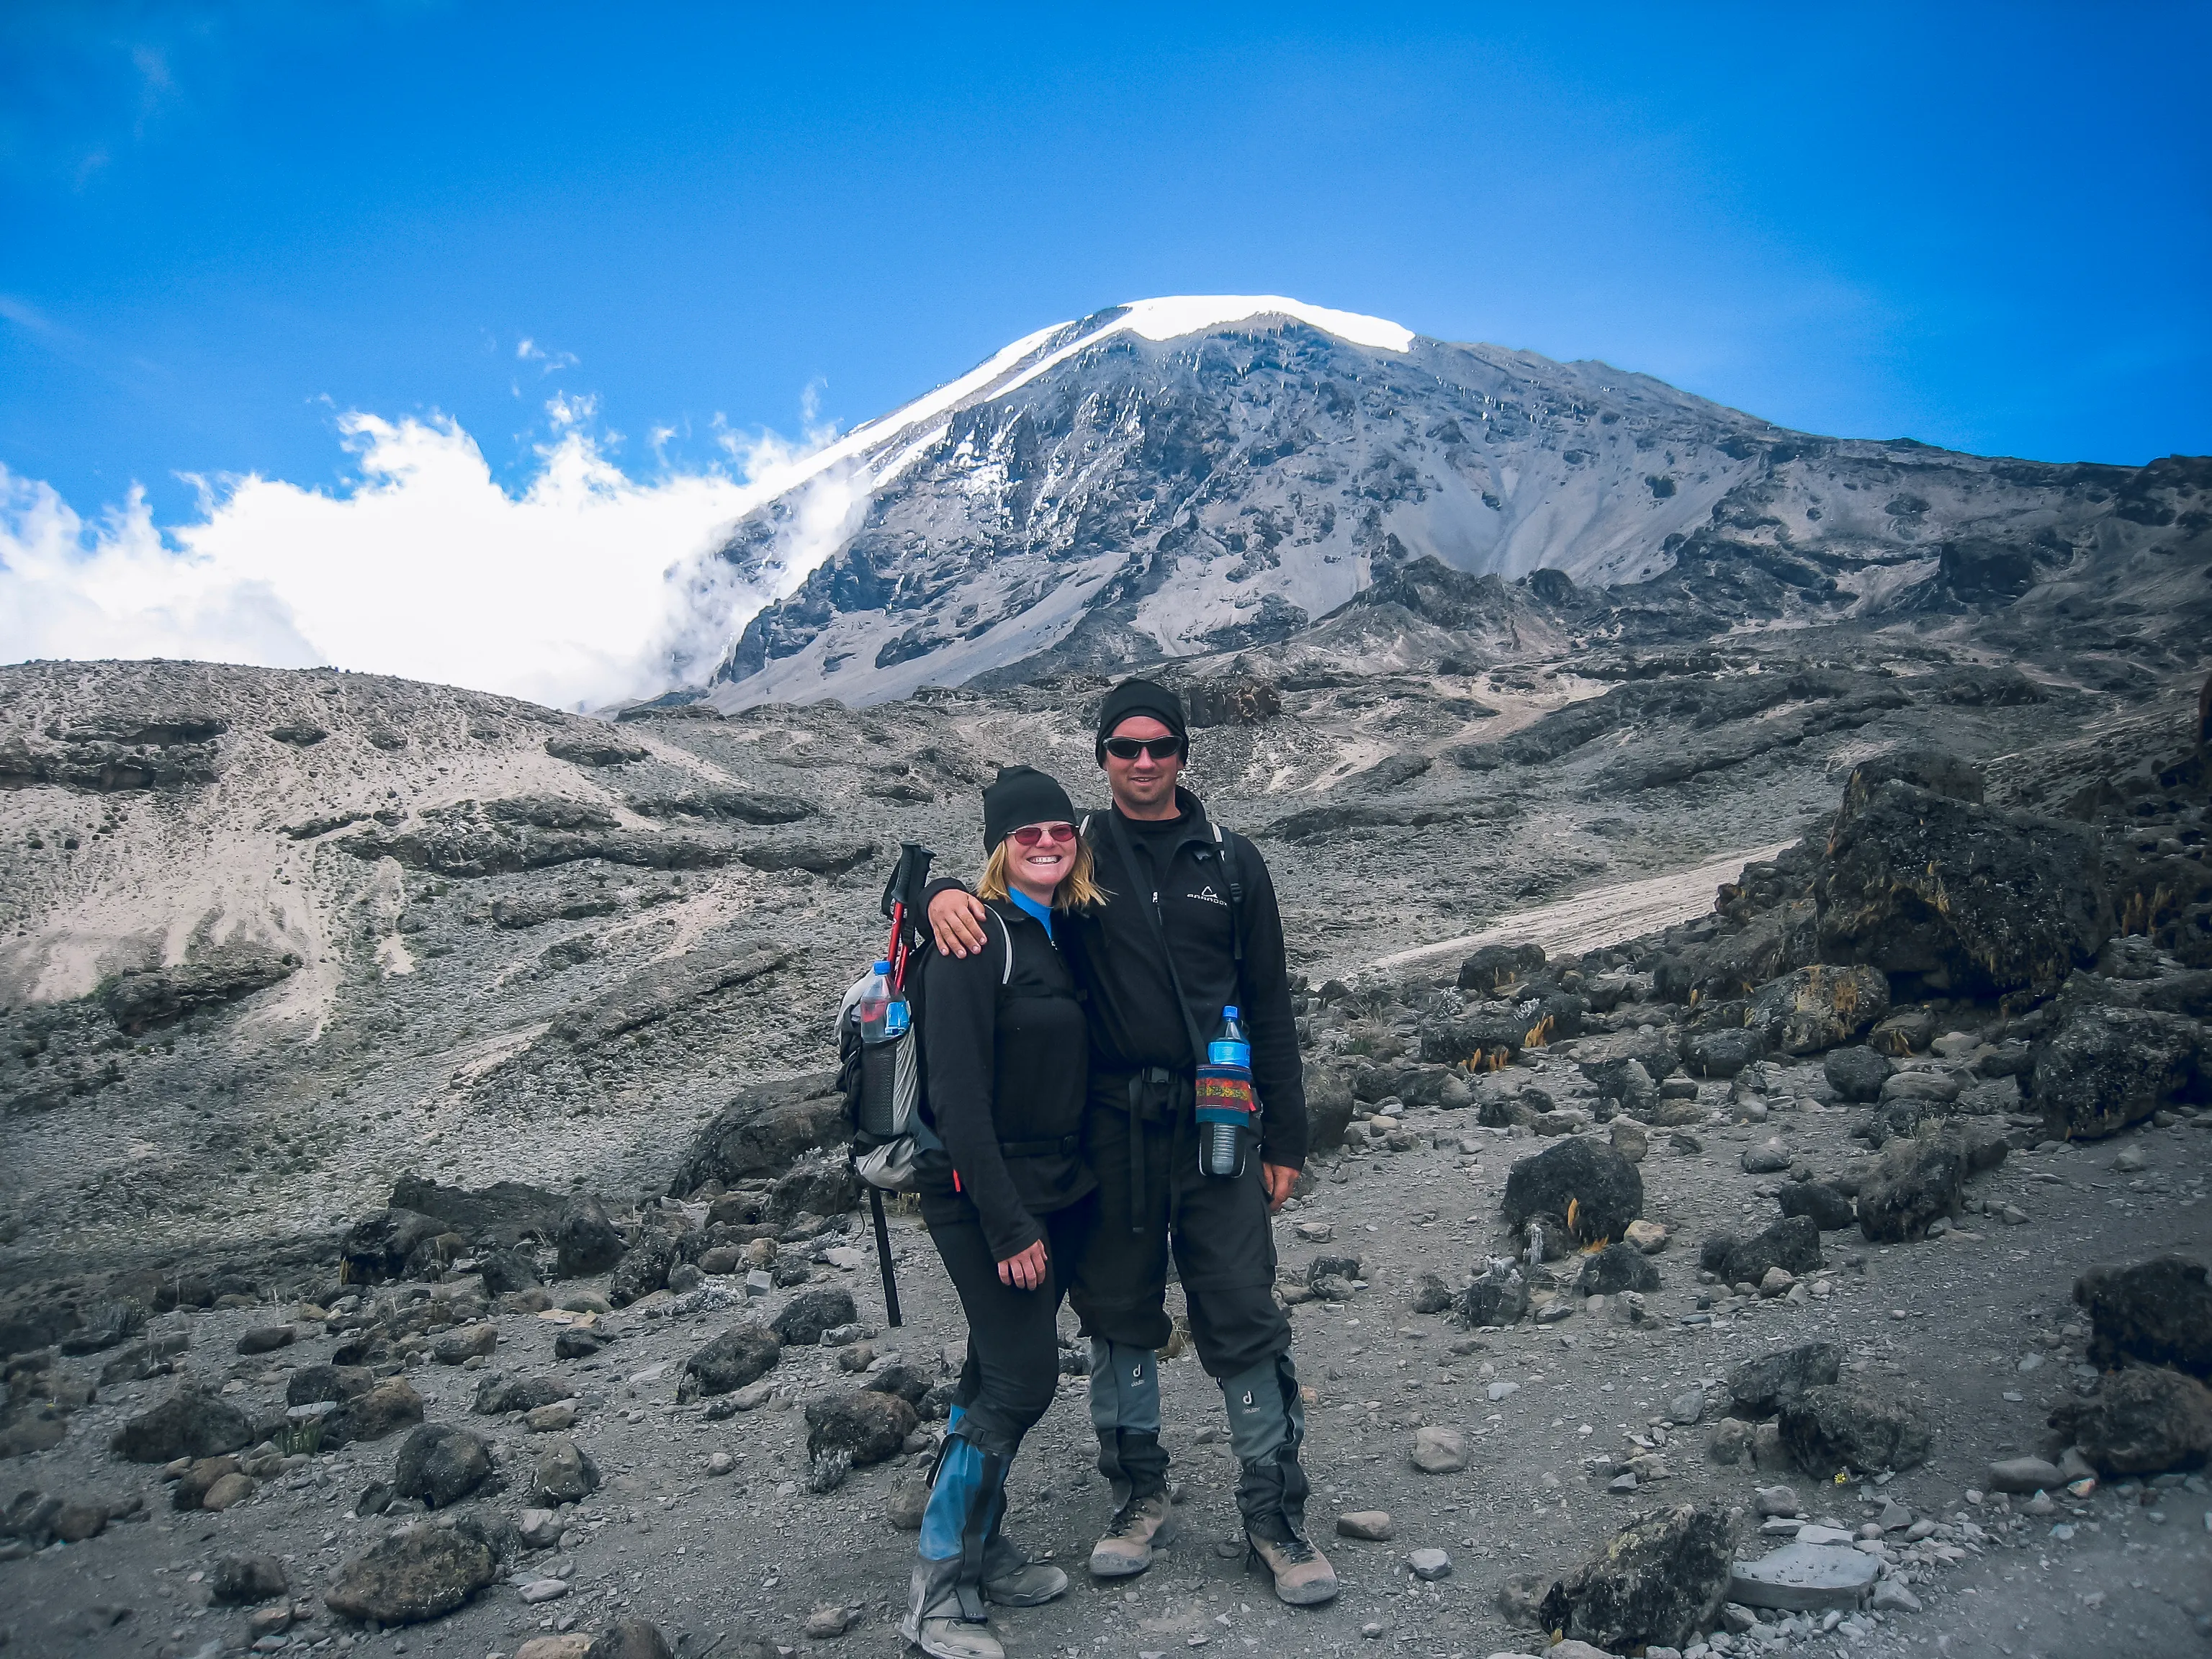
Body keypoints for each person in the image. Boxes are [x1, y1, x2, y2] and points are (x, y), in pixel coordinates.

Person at [927, 680, 1337, 1608]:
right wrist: (932, 891)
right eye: (1124, 747)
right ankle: (1136, 1492)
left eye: (1160, 746)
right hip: (1107, 1128)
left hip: (1221, 1122)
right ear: (1102, 755)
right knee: (1116, 1311)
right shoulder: (1070, 854)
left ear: (1185, 754)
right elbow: (994, 887)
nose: (1143, 762)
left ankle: (1274, 1516)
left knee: (1241, 1308)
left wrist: (1291, 1135)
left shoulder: (1233, 863)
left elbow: (1270, 1003)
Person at [901, 764, 1106, 1659]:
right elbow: (956, 1098)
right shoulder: (972, 940)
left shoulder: (1062, 931)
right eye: (1027, 836)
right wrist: (1009, 1223)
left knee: (992, 1372)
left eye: (1060, 831)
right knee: (1023, 1380)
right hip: (986, 1196)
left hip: (1056, 1188)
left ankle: (979, 1552)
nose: (1048, 845)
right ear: (998, 848)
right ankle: (935, 1599)